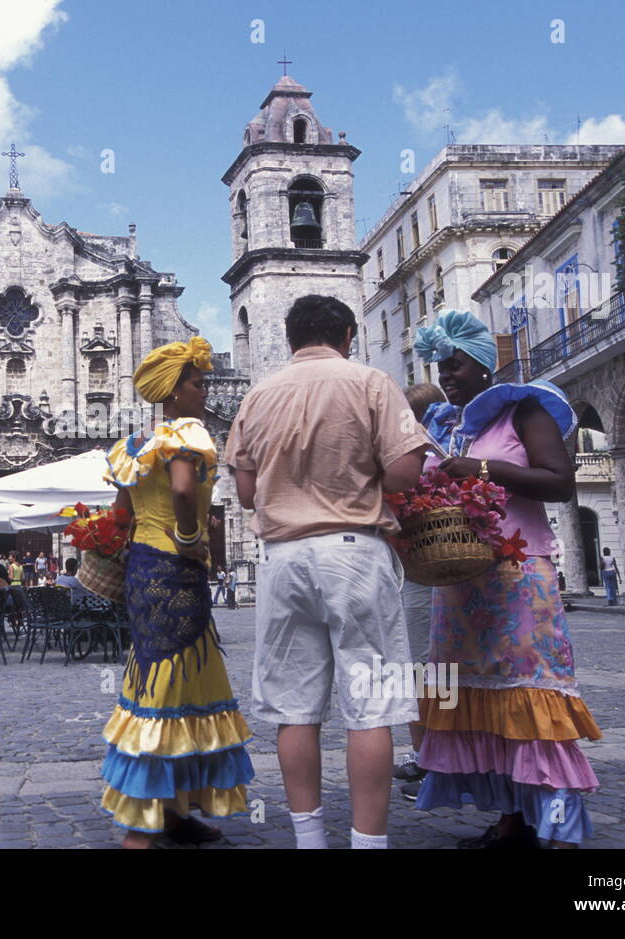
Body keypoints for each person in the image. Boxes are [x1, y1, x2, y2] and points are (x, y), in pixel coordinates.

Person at [226, 296, 426, 850]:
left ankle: (309, 838)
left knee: (294, 709)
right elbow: (407, 473)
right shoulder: (370, 382)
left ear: (290, 339)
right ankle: (368, 842)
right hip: (354, 552)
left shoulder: (257, 396)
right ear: (346, 334)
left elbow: (245, 493)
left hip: (283, 559)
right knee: (371, 709)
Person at [412, 309, 601, 848]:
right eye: (440, 367)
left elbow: (559, 482)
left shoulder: (525, 410)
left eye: (455, 365)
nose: (446, 375)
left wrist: (485, 471)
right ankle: (512, 820)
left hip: (519, 578)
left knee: (532, 694)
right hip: (461, 580)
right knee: (484, 698)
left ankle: (560, 828)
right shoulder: (448, 427)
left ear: (483, 362)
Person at [101, 335, 255, 849]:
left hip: (143, 570)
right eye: (197, 381)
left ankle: (173, 811)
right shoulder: (187, 432)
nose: (204, 388)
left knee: (163, 676)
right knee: (172, 681)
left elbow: (122, 513)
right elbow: (186, 490)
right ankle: (140, 826)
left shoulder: (134, 447)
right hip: (174, 567)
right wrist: (191, 540)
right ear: (174, 389)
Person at [393, 382, 446, 798]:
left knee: (427, 667)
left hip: (427, 572)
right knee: (427, 667)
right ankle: (431, 756)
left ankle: (434, 758)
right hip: (424, 572)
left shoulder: (431, 454)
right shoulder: (439, 448)